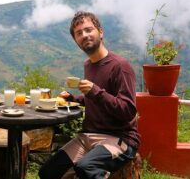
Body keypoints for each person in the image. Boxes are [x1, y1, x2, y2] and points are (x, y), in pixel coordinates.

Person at [39, 11, 140, 179]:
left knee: (86, 168)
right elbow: (94, 100)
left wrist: (95, 92)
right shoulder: (89, 65)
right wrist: (73, 99)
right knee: (47, 172)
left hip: (119, 138)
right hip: (88, 136)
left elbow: (128, 110)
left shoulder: (120, 66)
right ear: (76, 40)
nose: (84, 35)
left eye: (88, 30)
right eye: (79, 33)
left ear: (100, 32)